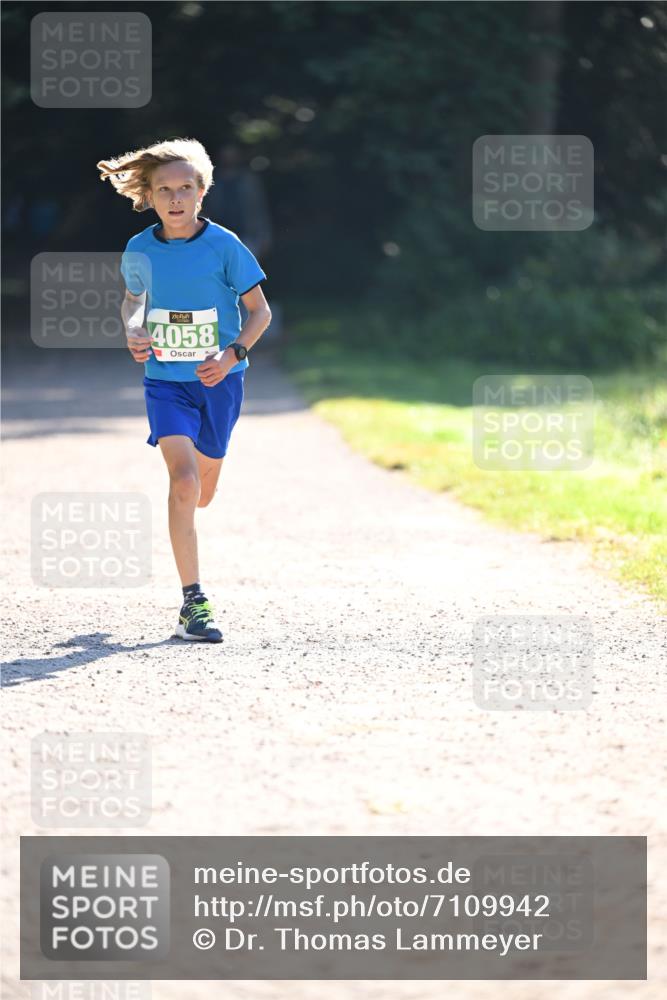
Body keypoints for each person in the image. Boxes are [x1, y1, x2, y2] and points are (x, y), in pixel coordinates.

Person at [97, 138, 272, 643]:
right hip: (166, 383)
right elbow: (133, 301)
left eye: (185, 189)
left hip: (220, 383)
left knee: (205, 491)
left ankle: (204, 476)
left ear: (202, 193)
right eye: (164, 190)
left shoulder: (224, 246)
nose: (175, 198)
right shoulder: (140, 248)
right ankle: (193, 601)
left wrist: (232, 354)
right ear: (149, 196)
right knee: (184, 483)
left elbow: (260, 312)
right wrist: (133, 328)